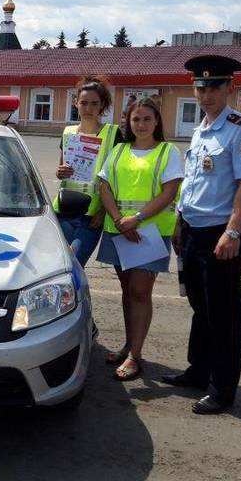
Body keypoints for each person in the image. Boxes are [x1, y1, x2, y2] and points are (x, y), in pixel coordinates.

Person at [162, 55, 241, 415]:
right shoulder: (202, 127)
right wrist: (178, 223)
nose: (206, 94)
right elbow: (192, 184)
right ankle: (198, 370)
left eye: (214, 87)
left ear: (229, 88)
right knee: (198, 306)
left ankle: (222, 389)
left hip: (218, 234)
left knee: (224, 314)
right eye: (201, 87)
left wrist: (233, 231)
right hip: (192, 229)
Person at [97, 97, 183, 381]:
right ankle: (129, 344)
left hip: (150, 233)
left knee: (139, 292)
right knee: (126, 290)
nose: (141, 124)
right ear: (128, 122)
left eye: (147, 119)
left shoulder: (167, 151)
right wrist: (120, 220)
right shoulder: (119, 150)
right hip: (119, 230)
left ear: (157, 121)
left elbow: (169, 192)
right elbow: (104, 185)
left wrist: (137, 219)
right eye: (136, 119)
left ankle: (136, 355)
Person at [54, 77, 121, 266]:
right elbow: (61, 171)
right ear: (76, 103)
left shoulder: (113, 134)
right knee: (59, 264)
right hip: (64, 209)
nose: (88, 108)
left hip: (91, 214)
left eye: (94, 103)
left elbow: (118, 178)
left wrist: (103, 212)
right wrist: (60, 172)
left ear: (102, 106)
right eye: (83, 103)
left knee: (74, 262)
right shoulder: (68, 132)